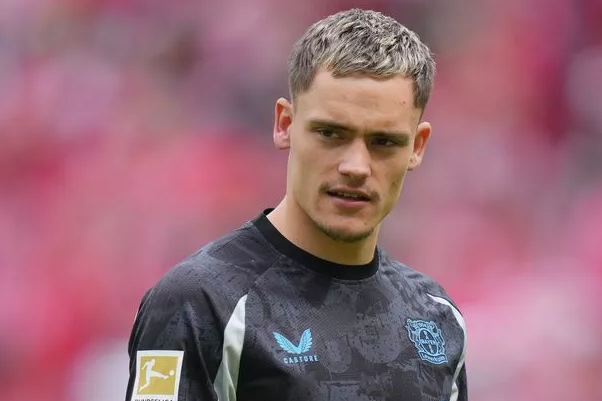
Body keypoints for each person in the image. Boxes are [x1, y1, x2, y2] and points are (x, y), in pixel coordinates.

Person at [125, 8, 467, 401]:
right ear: (285, 124)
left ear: (417, 147)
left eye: (383, 142)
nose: (356, 166)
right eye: (331, 134)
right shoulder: (200, 303)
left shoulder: (437, 317)